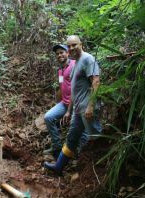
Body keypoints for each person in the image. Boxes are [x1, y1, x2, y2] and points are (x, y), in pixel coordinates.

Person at [43, 35, 102, 175]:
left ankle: (95, 172)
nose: (71, 48)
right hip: (77, 109)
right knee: (71, 138)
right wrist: (69, 111)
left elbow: (96, 81)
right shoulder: (76, 63)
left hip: (87, 108)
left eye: (74, 45)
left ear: (81, 44)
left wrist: (91, 106)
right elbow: (74, 91)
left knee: (93, 139)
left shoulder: (88, 59)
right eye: (69, 46)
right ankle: (59, 167)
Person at [43, 44, 82, 159]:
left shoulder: (74, 66)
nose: (59, 55)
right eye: (57, 53)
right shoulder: (60, 70)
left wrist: (68, 111)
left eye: (62, 52)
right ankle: (57, 147)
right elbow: (61, 87)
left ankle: (77, 154)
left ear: (68, 53)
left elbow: (76, 89)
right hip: (64, 104)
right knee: (48, 117)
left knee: (75, 128)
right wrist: (58, 105)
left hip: (75, 105)